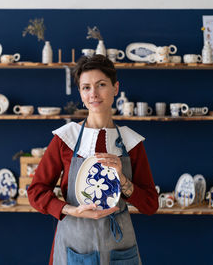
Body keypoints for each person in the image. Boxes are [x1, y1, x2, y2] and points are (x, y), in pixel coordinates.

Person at [27, 54, 158, 265]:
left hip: (119, 247)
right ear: (80, 92)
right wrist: (71, 210)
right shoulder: (65, 138)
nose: (94, 94)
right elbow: (36, 191)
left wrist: (123, 180)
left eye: (101, 85)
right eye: (86, 87)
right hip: (75, 245)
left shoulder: (131, 142)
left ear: (115, 89)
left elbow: (150, 204)